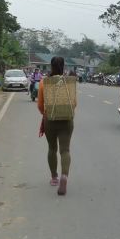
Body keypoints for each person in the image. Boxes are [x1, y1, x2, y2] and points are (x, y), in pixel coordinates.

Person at [37, 57, 77, 196]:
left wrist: (47, 114)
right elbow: (74, 103)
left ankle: (54, 178)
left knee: (52, 148)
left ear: (51, 66)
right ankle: (64, 176)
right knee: (65, 150)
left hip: (50, 120)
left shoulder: (44, 82)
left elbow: (40, 105)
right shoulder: (69, 83)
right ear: (64, 66)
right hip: (66, 120)